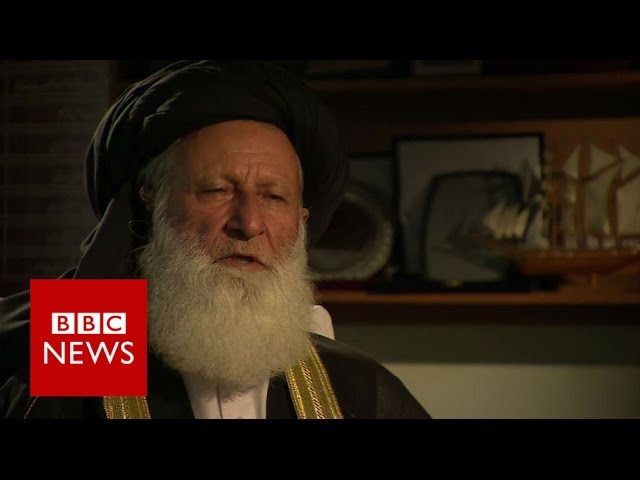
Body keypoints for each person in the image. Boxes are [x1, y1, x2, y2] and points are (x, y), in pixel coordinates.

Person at [0, 60, 430, 419]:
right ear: (149, 206)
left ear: (302, 222)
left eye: (273, 197)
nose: (249, 223)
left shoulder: (362, 393)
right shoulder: (51, 381)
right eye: (216, 191)